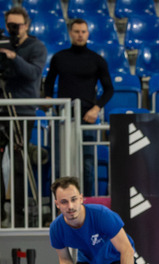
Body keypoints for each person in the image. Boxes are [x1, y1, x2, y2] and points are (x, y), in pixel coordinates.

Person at [0, 6, 47, 227]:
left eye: (17, 25)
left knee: (19, 163)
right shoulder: (2, 44)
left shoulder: (36, 46)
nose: (13, 29)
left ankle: (19, 214)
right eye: (10, 25)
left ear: (26, 25)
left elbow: (33, 73)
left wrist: (14, 57)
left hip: (22, 110)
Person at [43, 18, 113, 195]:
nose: (80, 35)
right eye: (76, 31)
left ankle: (86, 204)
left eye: (83, 31)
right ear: (70, 33)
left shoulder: (97, 60)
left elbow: (109, 89)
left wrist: (96, 109)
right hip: (63, 117)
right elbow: (49, 83)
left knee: (87, 166)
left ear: (88, 34)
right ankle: (59, 205)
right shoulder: (59, 57)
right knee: (59, 165)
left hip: (86, 119)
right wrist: (48, 98)